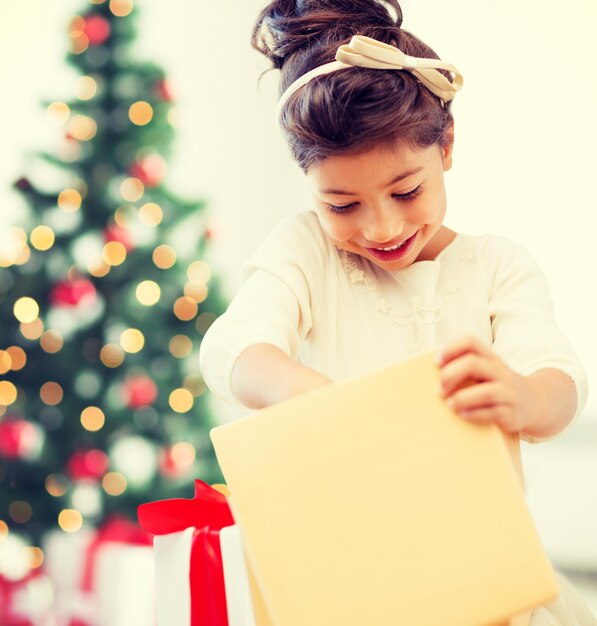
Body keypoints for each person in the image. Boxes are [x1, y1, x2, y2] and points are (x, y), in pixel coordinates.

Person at [199, 1, 595, 623]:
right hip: (350, 586)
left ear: (446, 145)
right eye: (341, 204)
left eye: (406, 191)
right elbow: (231, 349)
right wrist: (324, 403)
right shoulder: (305, 253)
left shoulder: (496, 267)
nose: (381, 227)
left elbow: (561, 384)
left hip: (484, 589)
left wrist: (522, 396)